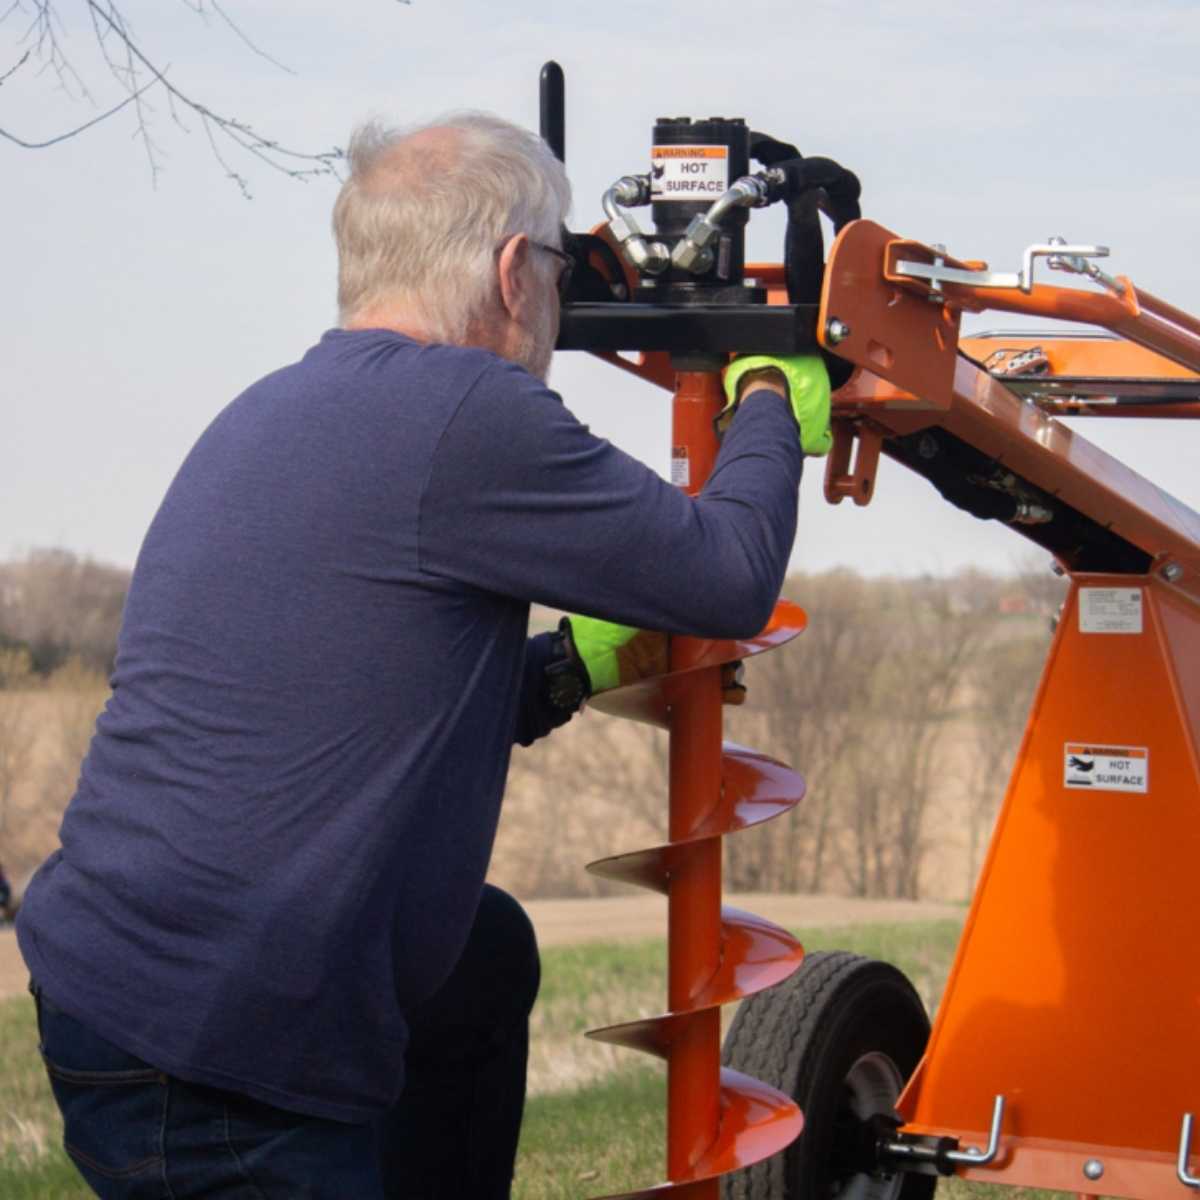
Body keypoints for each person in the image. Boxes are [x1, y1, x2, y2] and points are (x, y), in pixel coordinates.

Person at [17, 112, 829, 1198]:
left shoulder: (273, 411)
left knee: (482, 955)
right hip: (222, 1059)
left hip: (115, 981)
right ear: (509, 272)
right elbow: (729, 571)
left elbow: (341, 702)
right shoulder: (466, 411)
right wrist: (769, 393)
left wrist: (565, 670)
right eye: (555, 269)